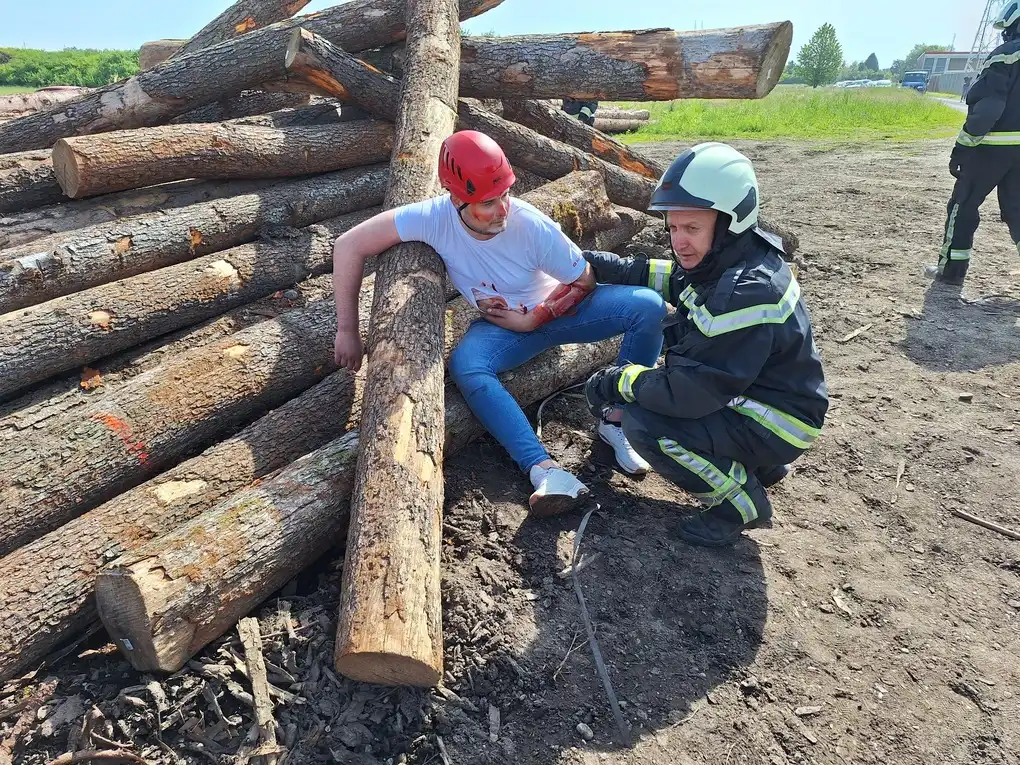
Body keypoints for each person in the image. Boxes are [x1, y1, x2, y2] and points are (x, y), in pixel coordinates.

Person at [331, 130, 666, 516]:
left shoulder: (530, 225)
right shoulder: (432, 219)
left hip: (563, 312)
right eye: (487, 203)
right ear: (456, 199)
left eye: (505, 195)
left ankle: (617, 420)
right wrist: (347, 330)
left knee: (648, 307)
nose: (502, 209)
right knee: (467, 366)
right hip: (503, 329)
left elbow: (584, 279)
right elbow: (348, 245)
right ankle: (544, 470)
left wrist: (536, 317)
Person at [581, 142, 829, 547]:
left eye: (692, 228)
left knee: (646, 424)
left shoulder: (744, 293)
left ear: (729, 223)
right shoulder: (734, 257)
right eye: (674, 227)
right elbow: (675, 279)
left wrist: (618, 381)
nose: (679, 241)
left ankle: (739, 504)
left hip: (778, 422)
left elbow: (687, 395)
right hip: (775, 401)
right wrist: (598, 263)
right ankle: (759, 464)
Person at [929, 2, 1020, 286]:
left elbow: (989, 108)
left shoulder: (1005, 56)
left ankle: (952, 272)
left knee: (963, 204)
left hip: (992, 148)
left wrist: (963, 147)